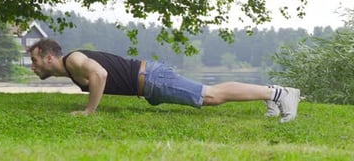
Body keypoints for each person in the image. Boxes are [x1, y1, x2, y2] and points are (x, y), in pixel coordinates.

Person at [28, 38, 301, 123]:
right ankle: (272, 96)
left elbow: (100, 74)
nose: (33, 66)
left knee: (211, 95)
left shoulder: (74, 60)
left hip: (152, 79)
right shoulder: (71, 68)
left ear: (50, 57)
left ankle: (279, 94)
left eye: (36, 60)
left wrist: (89, 110)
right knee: (210, 96)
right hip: (149, 84)